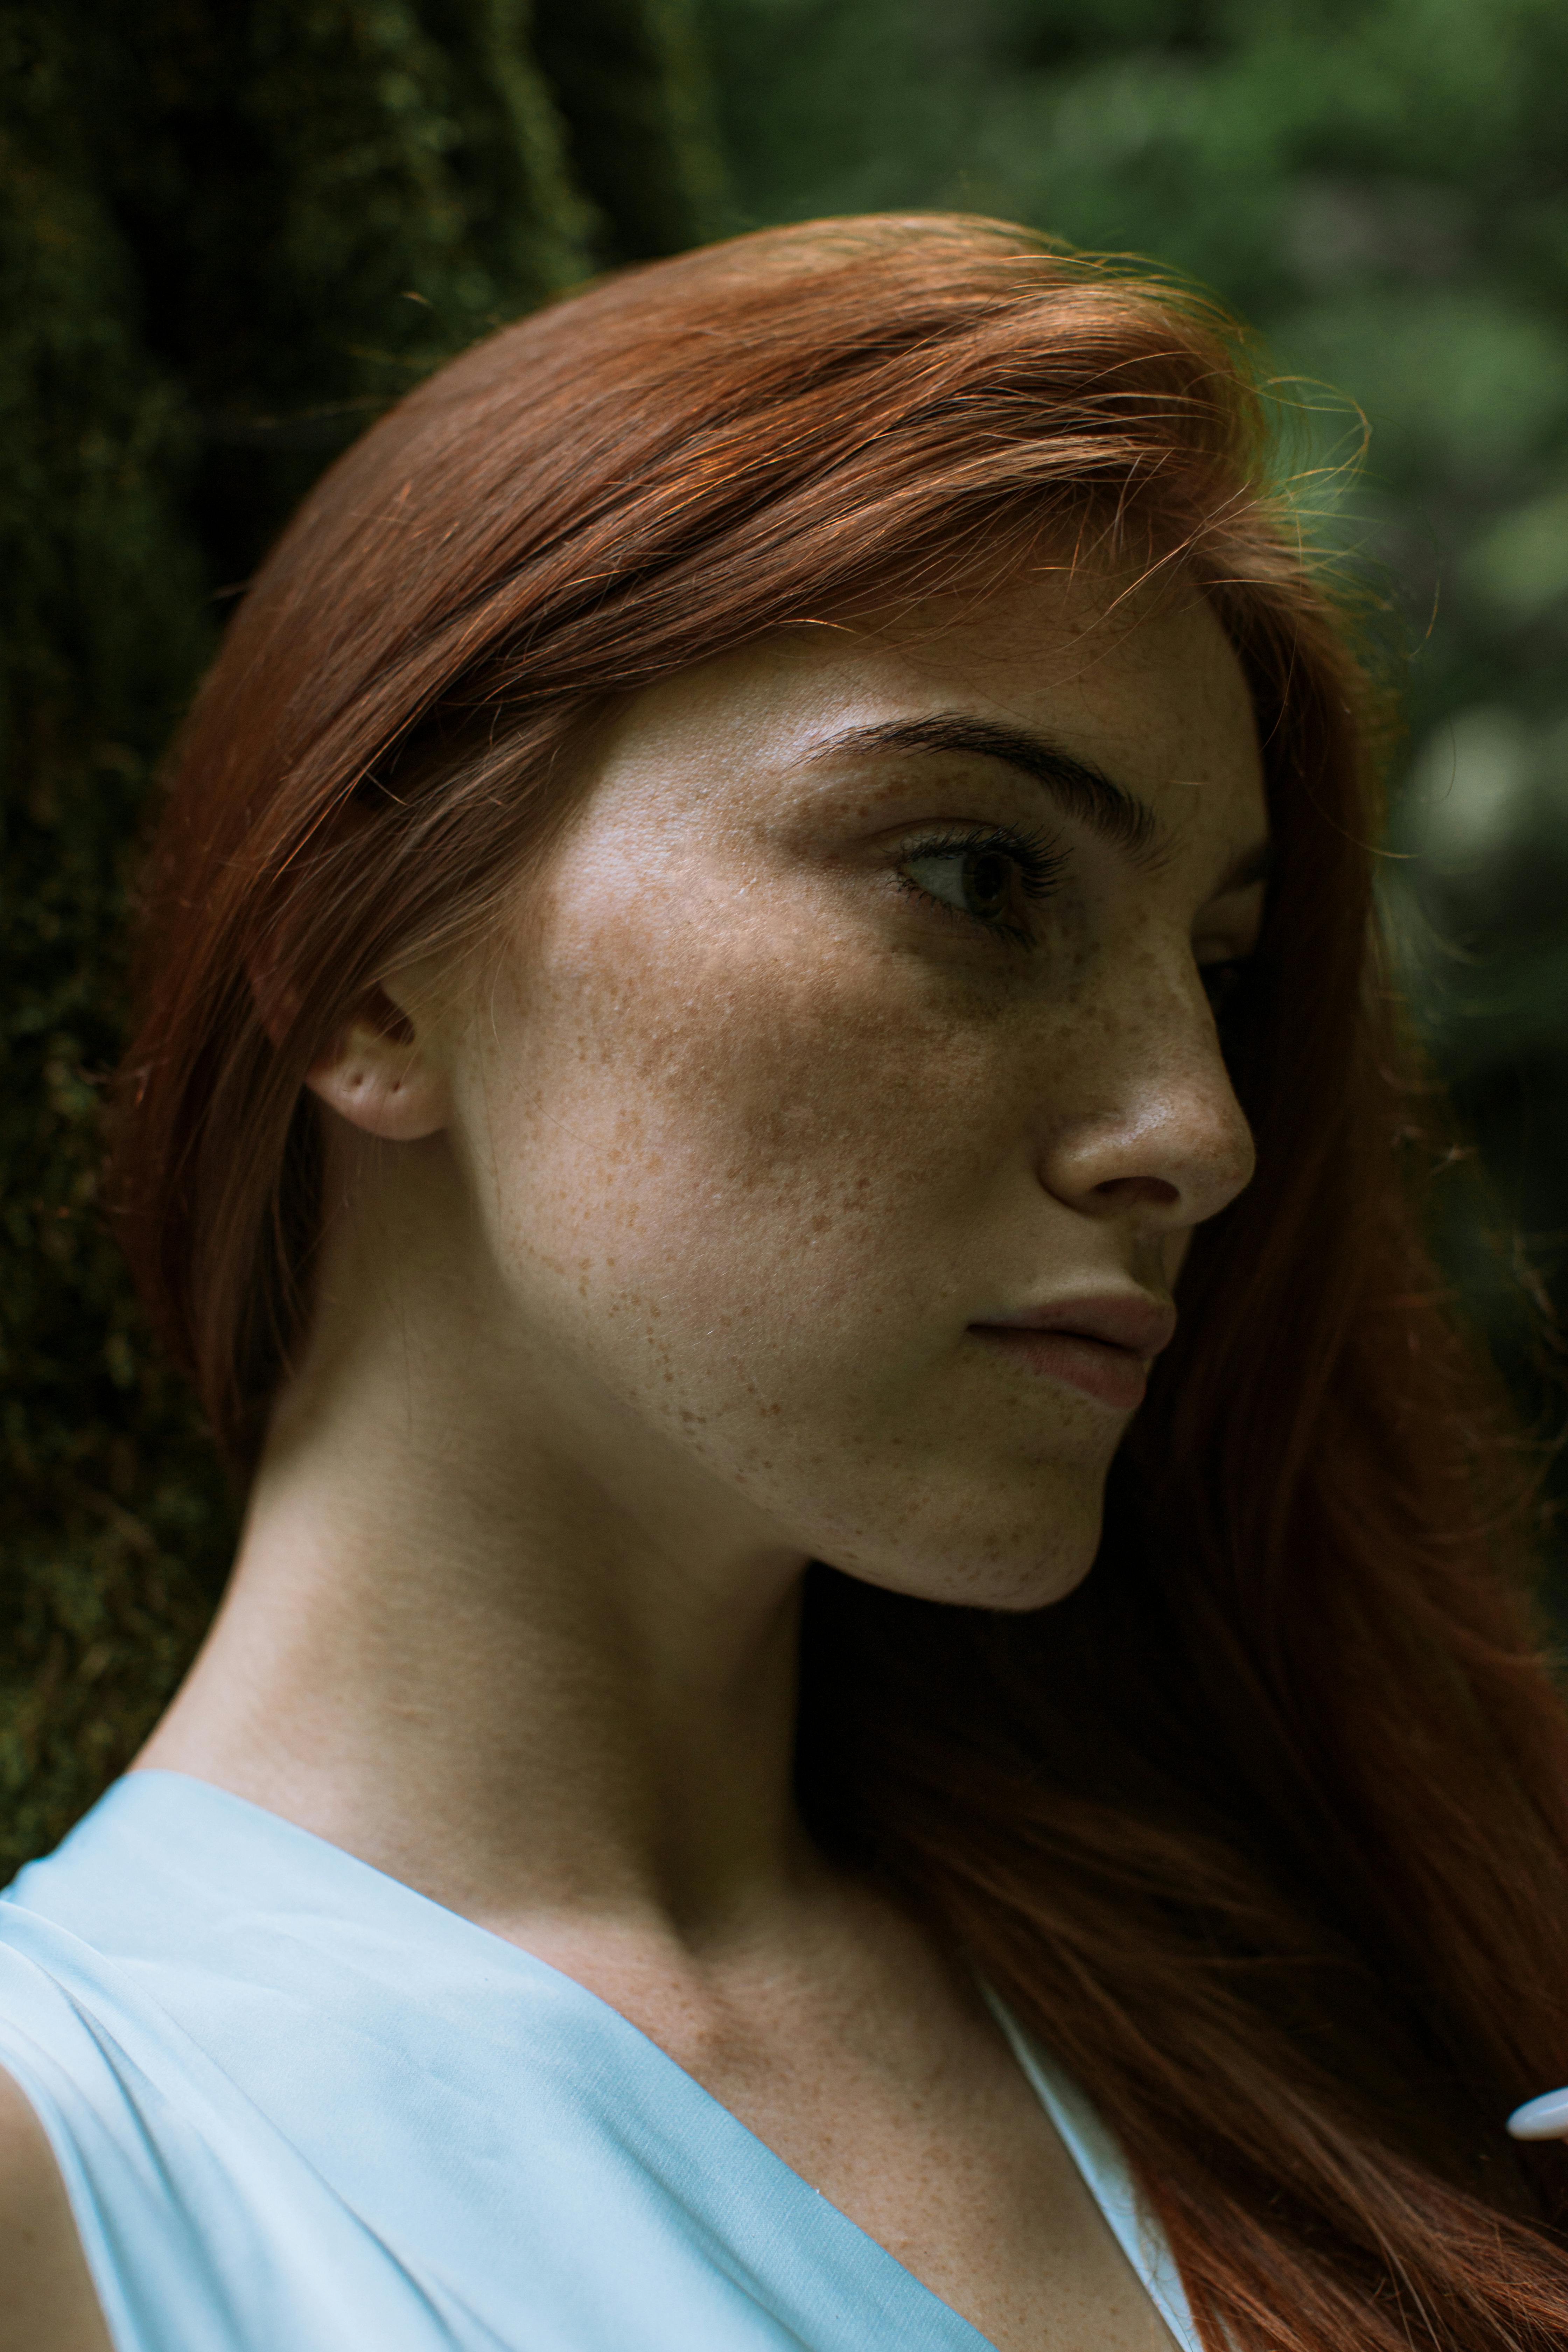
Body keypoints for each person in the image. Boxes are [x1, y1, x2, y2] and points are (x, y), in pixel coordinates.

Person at [2, 213, 1567, 2352]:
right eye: (981, 877)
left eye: (1218, 972)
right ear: (364, 972)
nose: (1201, 1133)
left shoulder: (1349, 1992)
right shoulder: (73, 2170)